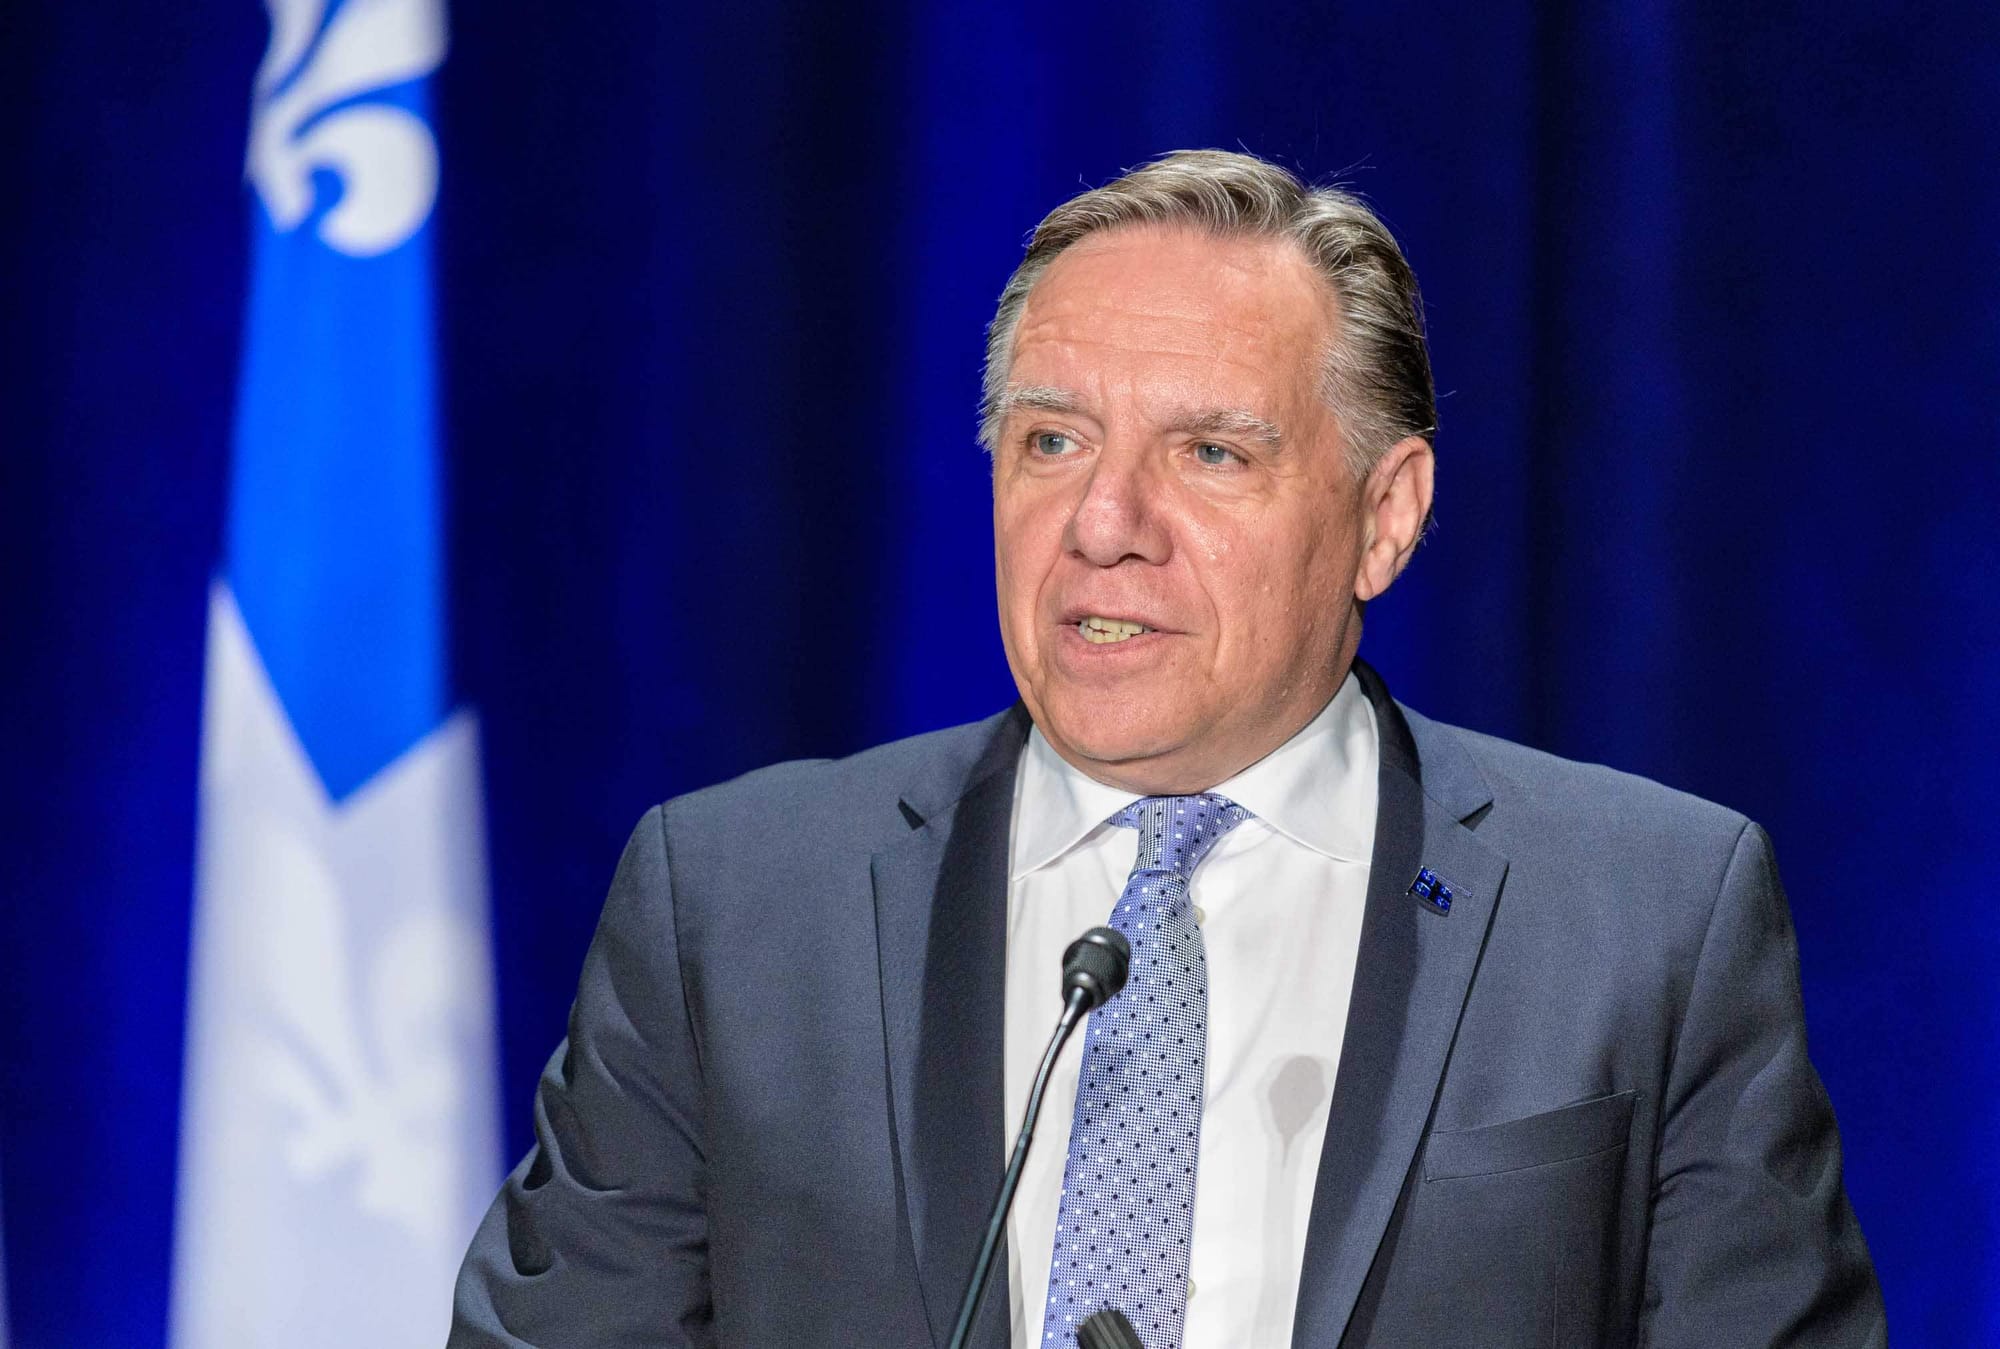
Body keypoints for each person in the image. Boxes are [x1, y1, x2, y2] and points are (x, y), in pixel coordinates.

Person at [449, 150, 1884, 1348]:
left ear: (1385, 516)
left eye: (1211, 453)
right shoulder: (735, 905)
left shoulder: (1648, 917)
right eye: (1052, 441)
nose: (1103, 523)